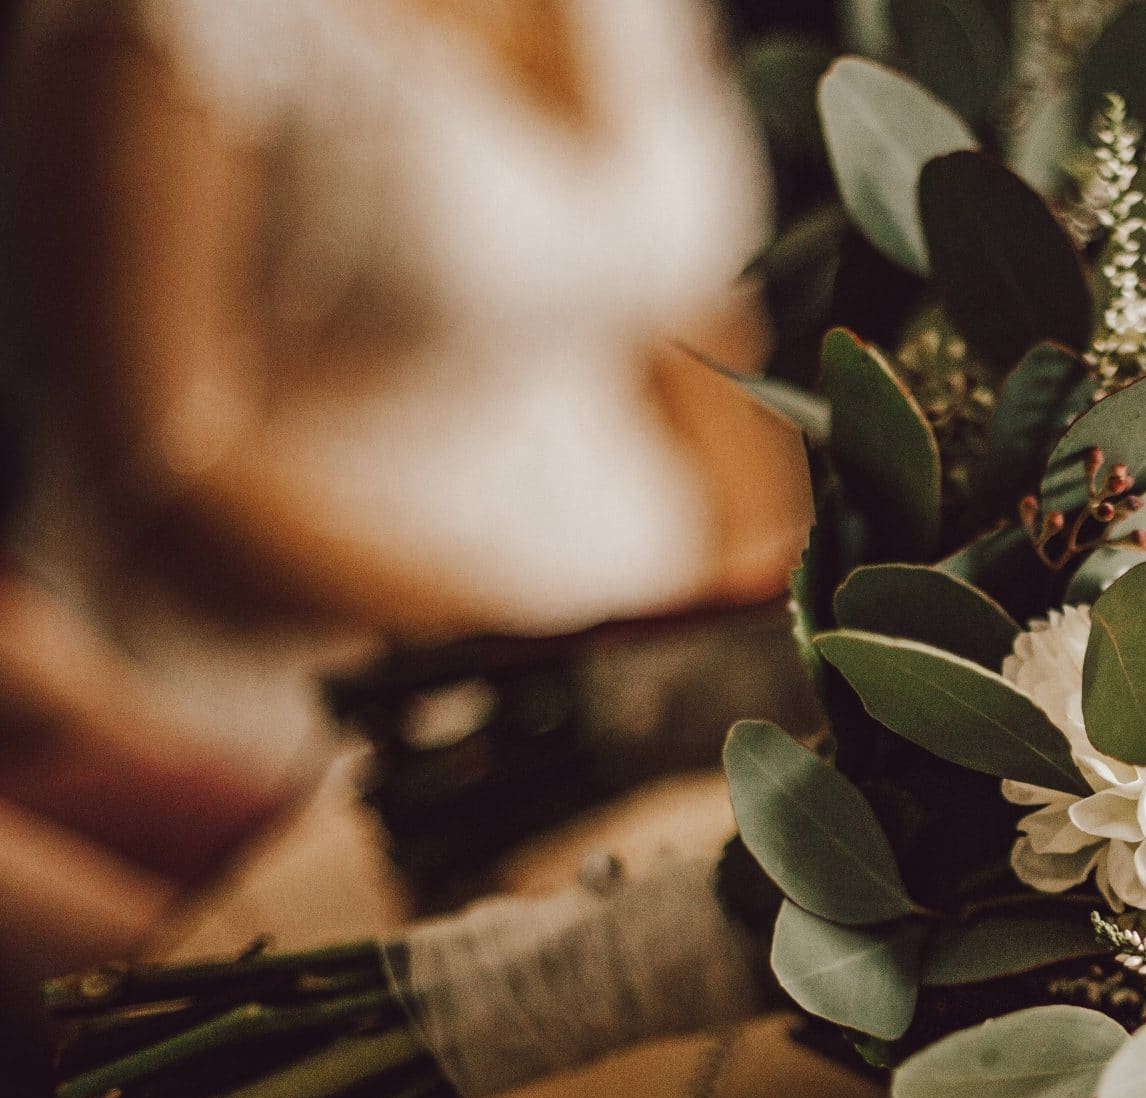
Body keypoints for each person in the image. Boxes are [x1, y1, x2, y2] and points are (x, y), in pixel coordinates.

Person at [2, 0, 808, 785]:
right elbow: (165, 465)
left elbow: (691, 326)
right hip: (313, 712)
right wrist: (558, 656)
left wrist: (744, 637)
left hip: (649, 688)